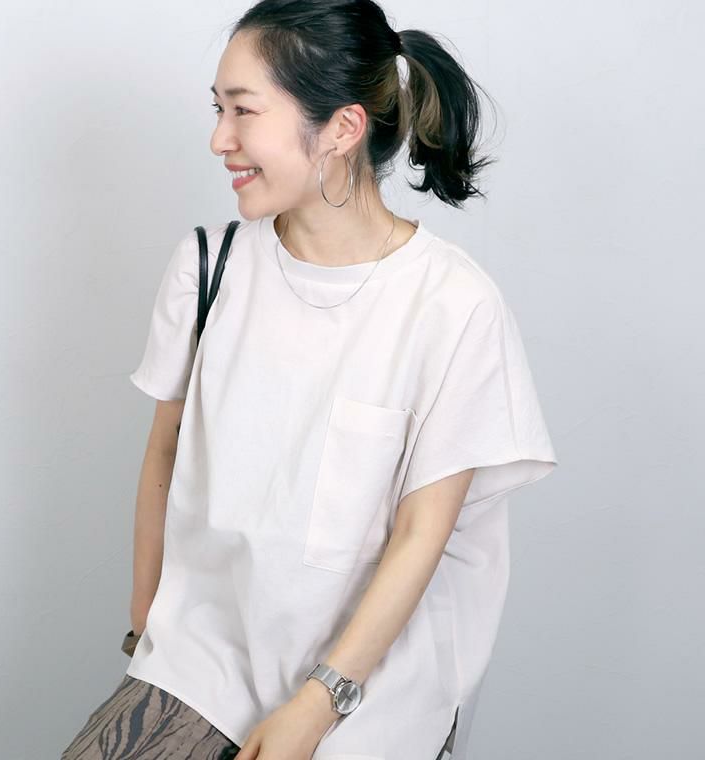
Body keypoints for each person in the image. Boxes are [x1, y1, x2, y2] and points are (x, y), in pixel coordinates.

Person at [61, 1, 558, 759]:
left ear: (342, 128)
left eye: (244, 110)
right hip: (203, 665)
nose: (219, 139)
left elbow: (422, 535)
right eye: (218, 109)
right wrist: (147, 628)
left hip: (376, 696)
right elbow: (164, 451)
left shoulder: (452, 306)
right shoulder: (209, 267)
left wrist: (319, 703)